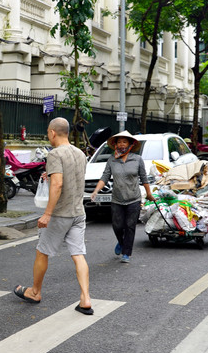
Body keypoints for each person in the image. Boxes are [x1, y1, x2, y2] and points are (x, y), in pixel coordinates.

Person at [13, 117, 93, 315]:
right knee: (78, 255)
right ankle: (85, 298)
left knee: (42, 252)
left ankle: (35, 292)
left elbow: (58, 184)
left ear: (52, 132)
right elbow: (69, 179)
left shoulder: (55, 154)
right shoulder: (80, 153)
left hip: (60, 214)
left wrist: (47, 214)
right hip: (78, 212)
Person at [90, 131, 154, 264]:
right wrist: (96, 190)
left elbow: (144, 178)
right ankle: (121, 241)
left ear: (130, 144)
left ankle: (126, 253)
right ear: (115, 145)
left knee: (130, 226)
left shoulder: (137, 159)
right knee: (117, 226)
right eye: (119, 142)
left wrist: (149, 194)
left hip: (133, 198)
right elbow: (105, 177)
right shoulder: (112, 160)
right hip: (117, 199)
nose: (121, 144)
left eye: (124, 142)